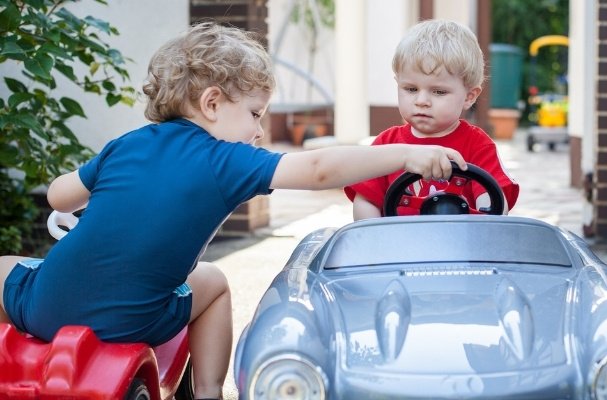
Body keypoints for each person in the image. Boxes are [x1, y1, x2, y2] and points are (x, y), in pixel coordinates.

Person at [0, 22, 468, 399]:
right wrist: (403, 153)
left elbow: (61, 198)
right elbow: (321, 168)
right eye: (255, 114)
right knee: (215, 283)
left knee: (6, 267)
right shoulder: (227, 160)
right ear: (212, 104)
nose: (259, 132)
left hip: (42, 306)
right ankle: (207, 390)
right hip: (132, 321)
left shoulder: (126, 144)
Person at [345, 19, 519, 220]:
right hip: (399, 247)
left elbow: (492, 200)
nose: (421, 101)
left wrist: (484, 228)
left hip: (461, 247)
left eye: (438, 92)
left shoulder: (478, 145)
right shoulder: (386, 144)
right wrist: (374, 239)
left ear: (469, 96)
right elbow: (366, 200)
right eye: (411, 89)